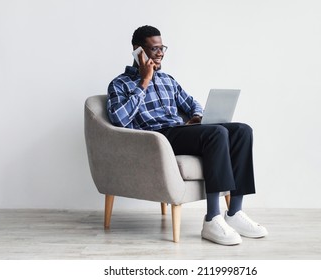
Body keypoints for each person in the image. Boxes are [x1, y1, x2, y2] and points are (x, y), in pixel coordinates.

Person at [107, 25, 268, 245]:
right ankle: (212, 218)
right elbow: (119, 119)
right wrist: (144, 81)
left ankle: (235, 213)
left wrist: (197, 116)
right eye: (154, 49)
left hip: (180, 131)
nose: (160, 53)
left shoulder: (168, 80)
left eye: (162, 48)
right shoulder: (120, 84)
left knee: (242, 131)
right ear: (138, 51)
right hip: (157, 138)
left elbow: (192, 103)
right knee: (217, 133)